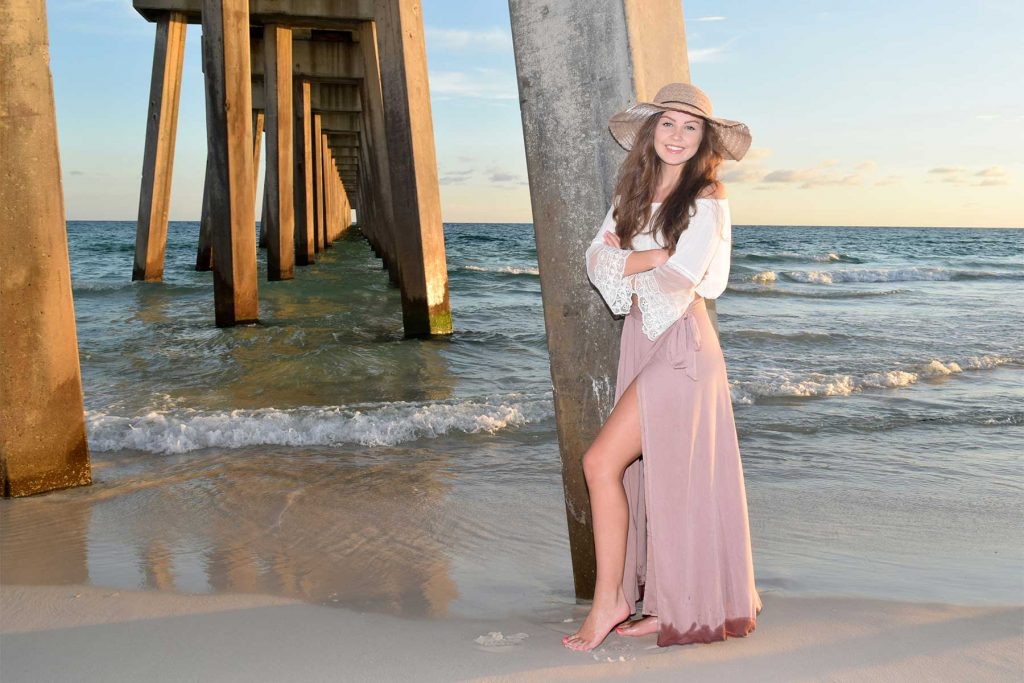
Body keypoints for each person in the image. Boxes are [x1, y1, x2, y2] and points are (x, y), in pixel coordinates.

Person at [562, 83, 763, 651]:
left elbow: (686, 277)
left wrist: (629, 262)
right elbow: (593, 259)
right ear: (652, 131)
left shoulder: (708, 194)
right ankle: (669, 604)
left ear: (703, 140)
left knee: (601, 462)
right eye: (668, 124)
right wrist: (646, 256)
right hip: (643, 338)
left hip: (682, 345)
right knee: (654, 476)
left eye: (689, 127)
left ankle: (612, 603)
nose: (677, 136)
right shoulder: (634, 189)